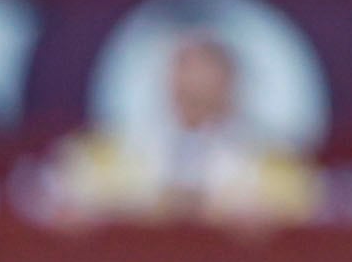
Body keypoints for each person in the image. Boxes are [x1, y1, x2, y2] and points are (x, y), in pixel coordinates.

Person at [36, 25, 315, 225]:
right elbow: (54, 194)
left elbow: (304, 207)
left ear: (232, 83)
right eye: (185, 67)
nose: (194, 80)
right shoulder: (117, 148)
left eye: (208, 69)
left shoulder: (274, 158)